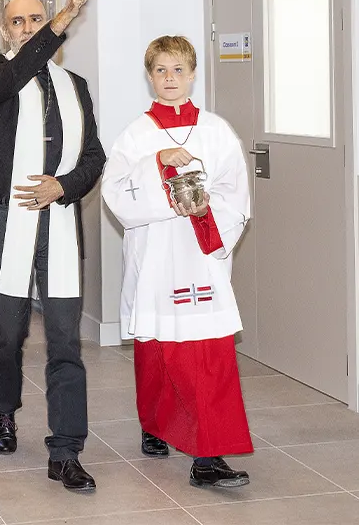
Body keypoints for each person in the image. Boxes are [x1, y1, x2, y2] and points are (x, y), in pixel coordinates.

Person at [0, 0, 105, 491]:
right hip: (6, 219)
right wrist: (62, 18)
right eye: (17, 21)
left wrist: (61, 185)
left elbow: (94, 156)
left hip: (58, 221)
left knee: (65, 339)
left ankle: (66, 450)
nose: (27, 28)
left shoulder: (76, 85)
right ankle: (4, 409)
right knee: (9, 332)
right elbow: (6, 85)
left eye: (36, 20)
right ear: (4, 28)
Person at [101, 35, 253, 488]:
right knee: (156, 347)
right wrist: (158, 163)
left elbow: (236, 194)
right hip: (157, 255)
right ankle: (155, 423)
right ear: (149, 76)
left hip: (201, 256)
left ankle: (207, 457)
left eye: (179, 70)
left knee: (209, 355)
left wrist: (205, 208)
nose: (170, 79)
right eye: (161, 70)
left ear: (193, 74)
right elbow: (116, 192)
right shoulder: (136, 134)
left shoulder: (216, 131)